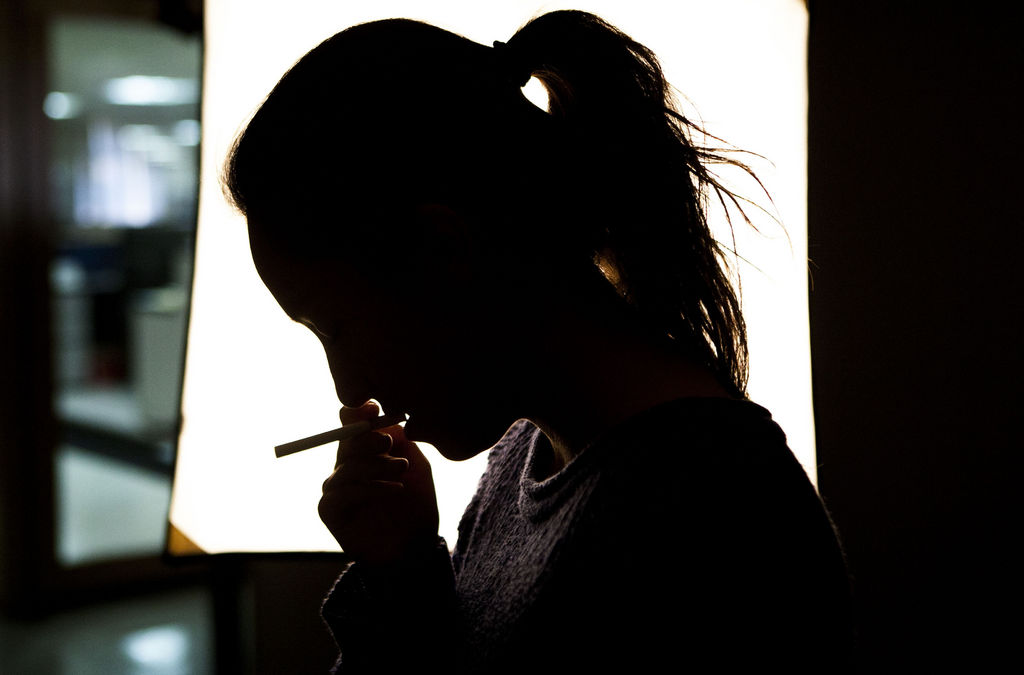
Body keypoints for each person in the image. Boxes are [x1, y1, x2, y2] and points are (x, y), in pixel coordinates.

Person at [224, 10, 854, 673]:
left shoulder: (715, 511)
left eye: (338, 328)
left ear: (443, 253)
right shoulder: (526, 457)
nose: (350, 389)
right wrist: (401, 577)